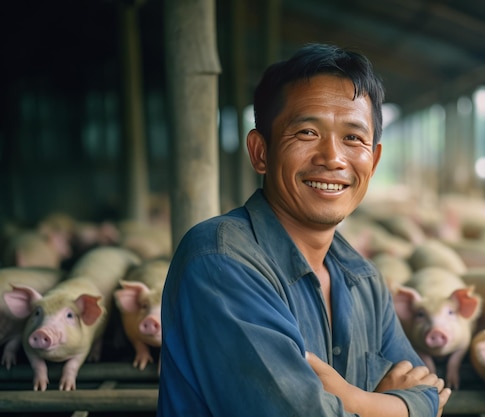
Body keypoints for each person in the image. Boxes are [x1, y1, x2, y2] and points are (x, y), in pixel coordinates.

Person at [157, 43, 452, 416]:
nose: (332, 157)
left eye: (353, 138)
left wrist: (353, 399)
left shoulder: (362, 278)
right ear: (260, 152)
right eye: (307, 132)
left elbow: (429, 391)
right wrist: (395, 406)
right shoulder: (219, 261)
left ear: (373, 161)